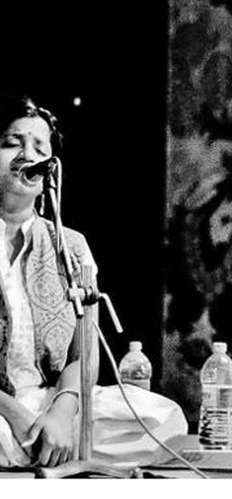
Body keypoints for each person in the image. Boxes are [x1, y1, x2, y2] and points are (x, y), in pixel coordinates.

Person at [0, 94, 187, 469]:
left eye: (39, 147)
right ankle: (35, 448)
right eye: (11, 143)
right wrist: (16, 415)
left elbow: (83, 355)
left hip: (53, 402)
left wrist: (60, 413)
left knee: (163, 422)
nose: (27, 155)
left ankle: (40, 447)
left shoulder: (71, 246)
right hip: (3, 408)